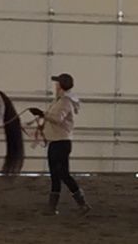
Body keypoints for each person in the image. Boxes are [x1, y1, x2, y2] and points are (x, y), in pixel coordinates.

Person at [29, 73, 91, 215]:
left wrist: (42, 114)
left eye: (57, 83)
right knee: (56, 175)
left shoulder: (65, 102)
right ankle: (54, 207)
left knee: (62, 173)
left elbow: (58, 119)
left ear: (61, 85)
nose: (56, 85)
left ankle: (81, 203)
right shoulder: (60, 100)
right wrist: (42, 116)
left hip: (60, 142)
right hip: (57, 142)